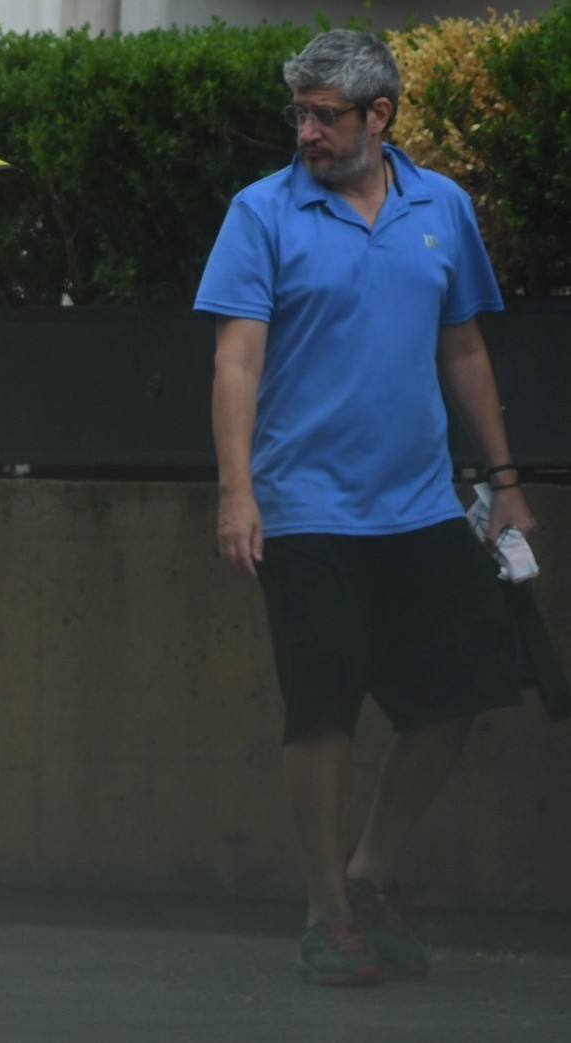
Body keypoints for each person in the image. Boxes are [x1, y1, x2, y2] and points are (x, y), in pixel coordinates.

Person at [194, 29, 537, 986]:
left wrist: (505, 484)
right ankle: (326, 913)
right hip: (303, 511)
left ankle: (373, 865)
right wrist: (236, 492)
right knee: (322, 714)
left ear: (378, 115)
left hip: (422, 507)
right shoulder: (260, 212)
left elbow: (461, 347)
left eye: (324, 114)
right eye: (297, 112)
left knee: (466, 689)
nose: (305, 130)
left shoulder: (442, 207)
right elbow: (236, 359)